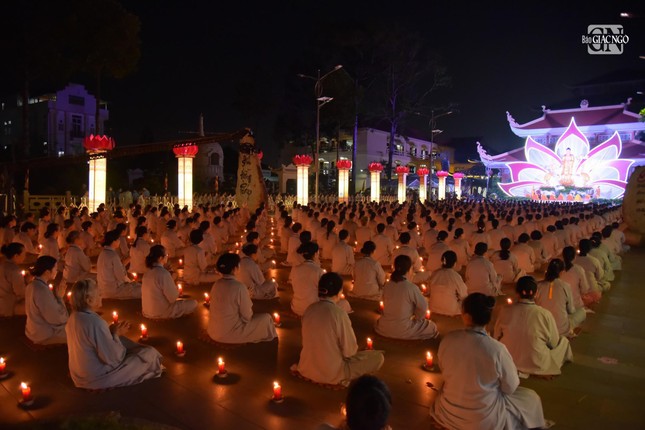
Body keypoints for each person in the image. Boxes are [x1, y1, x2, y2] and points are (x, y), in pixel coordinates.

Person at [430, 293, 550, 430]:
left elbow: (444, 370)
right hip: (482, 420)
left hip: (449, 412)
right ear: (489, 318)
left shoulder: (448, 340)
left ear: (466, 315)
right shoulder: (496, 349)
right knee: (531, 398)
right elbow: (510, 387)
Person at [66, 279, 163, 390]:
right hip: (96, 377)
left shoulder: (73, 317)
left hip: (79, 375)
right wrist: (115, 334)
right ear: (89, 300)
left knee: (125, 342)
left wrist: (113, 332)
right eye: (98, 293)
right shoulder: (96, 323)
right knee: (149, 354)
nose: (101, 295)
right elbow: (113, 358)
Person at [291, 272, 384, 386]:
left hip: (307, 367)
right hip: (332, 373)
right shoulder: (339, 314)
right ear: (340, 292)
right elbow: (350, 351)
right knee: (378, 357)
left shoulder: (309, 309)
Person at [494, 276, 573, 378]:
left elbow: (496, 337)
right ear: (536, 293)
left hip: (508, 359)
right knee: (564, 342)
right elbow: (553, 343)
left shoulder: (504, 310)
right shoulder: (544, 314)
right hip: (536, 363)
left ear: (516, 292)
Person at [207, 253, 277, 343]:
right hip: (229, 334)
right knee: (266, 318)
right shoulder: (239, 287)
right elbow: (247, 316)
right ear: (235, 268)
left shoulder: (216, 284)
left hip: (213, 331)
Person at [375, 255, 438, 340]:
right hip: (403, 328)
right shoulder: (411, 287)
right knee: (432, 326)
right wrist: (418, 318)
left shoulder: (387, 285)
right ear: (409, 269)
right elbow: (423, 306)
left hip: (384, 326)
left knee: (379, 322)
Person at [141, 245, 197, 319]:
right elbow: (173, 298)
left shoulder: (147, 272)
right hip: (161, 312)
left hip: (146, 311)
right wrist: (173, 280)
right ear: (161, 258)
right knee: (194, 303)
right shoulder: (163, 273)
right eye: (166, 255)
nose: (168, 256)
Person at [536, 259, 586, 337]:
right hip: (561, 329)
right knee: (582, 312)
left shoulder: (538, 286)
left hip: (542, 327)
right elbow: (571, 310)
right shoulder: (565, 286)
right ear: (561, 272)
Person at [25, 256, 68, 344]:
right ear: (48, 272)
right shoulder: (41, 290)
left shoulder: (32, 284)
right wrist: (60, 297)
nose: (57, 271)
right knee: (79, 332)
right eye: (55, 269)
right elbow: (57, 319)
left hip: (32, 329)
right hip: (43, 334)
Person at [97, 230, 141, 300]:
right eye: (118, 240)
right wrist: (123, 266)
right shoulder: (113, 255)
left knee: (136, 285)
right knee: (141, 290)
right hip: (114, 290)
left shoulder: (102, 253)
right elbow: (121, 277)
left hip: (103, 288)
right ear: (114, 241)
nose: (119, 242)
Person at [428, 250, 468, 317]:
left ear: (441, 261)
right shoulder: (456, 276)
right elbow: (463, 295)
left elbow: (429, 291)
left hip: (433, 307)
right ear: (455, 263)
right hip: (451, 310)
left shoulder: (434, 273)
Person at [0, 242, 28, 317]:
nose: (24, 257)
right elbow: (21, 293)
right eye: (23, 255)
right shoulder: (14, 270)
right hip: (7, 305)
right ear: (16, 256)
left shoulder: (2, 265)